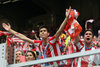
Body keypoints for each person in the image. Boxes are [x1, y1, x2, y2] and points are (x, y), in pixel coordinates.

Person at [2, 6, 71, 67]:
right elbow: (23, 37)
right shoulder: (39, 43)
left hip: (59, 65)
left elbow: (59, 31)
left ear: (48, 34)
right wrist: (10, 30)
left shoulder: (52, 40)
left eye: (44, 31)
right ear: (39, 35)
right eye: (41, 31)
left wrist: (66, 18)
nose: (43, 32)